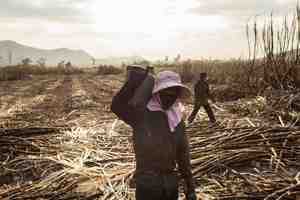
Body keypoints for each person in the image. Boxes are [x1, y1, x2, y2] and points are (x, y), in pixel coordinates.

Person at [111, 70, 197, 200]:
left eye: (173, 93)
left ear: (177, 95)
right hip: (148, 185)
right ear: (156, 93)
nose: (170, 96)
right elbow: (117, 106)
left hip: (170, 185)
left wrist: (190, 187)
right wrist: (136, 79)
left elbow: (183, 154)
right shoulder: (141, 115)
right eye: (165, 92)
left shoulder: (177, 121)